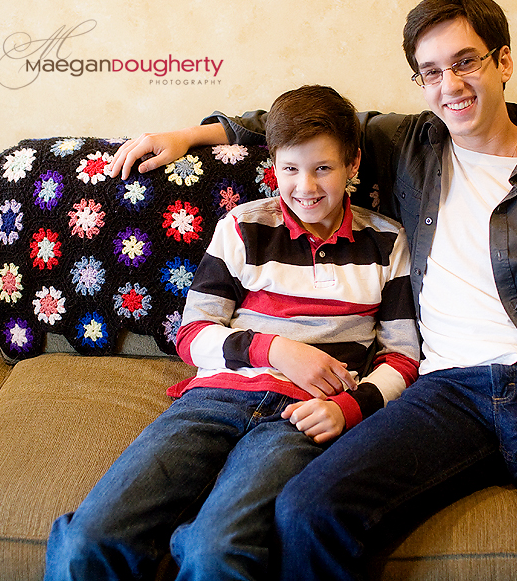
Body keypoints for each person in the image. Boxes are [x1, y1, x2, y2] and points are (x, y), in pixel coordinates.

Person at [109, 0, 517, 580]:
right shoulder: (410, 146)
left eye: (466, 62)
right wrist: (191, 136)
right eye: (431, 72)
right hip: (444, 392)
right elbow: (301, 127)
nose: (450, 85)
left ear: (504, 61)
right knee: (308, 509)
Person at [44, 85, 420, 581]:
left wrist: (349, 406)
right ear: (274, 165)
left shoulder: (387, 242)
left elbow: (402, 358)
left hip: (300, 417)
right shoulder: (242, 226)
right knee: (89, 539)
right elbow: (192, 333)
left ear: (353, 165)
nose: (305, 186)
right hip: (214, 399)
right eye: (290, 169)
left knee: (218, 549)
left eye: (323, 168)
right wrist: (275, 350)